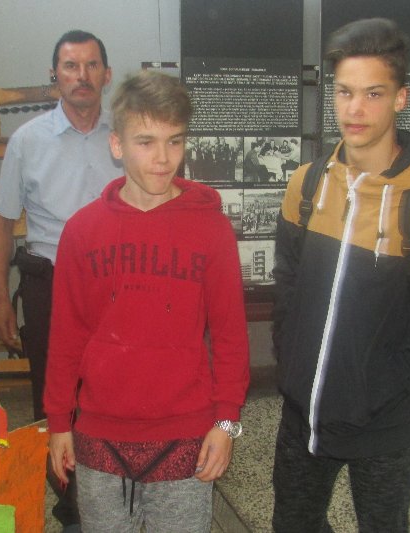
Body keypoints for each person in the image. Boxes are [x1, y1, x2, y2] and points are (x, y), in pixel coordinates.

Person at [271, 18, 410, 532]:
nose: (355, 109)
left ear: (400, 98)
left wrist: (391, 383)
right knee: (294, 524)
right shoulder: (306, 187)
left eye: (373, 93)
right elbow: (288, 282)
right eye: (345, 92)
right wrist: (293, 358)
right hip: (303, 413)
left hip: (385, 426)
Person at [44, 71, 250, 532]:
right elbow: (67, 336)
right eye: (146, 142)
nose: (163, 158)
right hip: (100, 432)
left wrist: (226, 422)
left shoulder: (211, 229)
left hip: (185, 432)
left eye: (175, 141)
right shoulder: (82, 231)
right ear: (116, 145)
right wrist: (59, 421)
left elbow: (231, 336)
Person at [0, 29, 121, 529]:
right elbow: (1, 222)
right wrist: (2, 300)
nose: (81, 76)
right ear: (54, 76)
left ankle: (121, 494)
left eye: (91, 65)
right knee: (57, 397)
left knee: (117, 392)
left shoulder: (126, 134)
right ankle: (72, 510)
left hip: (117, 287)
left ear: (107, 75)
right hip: (50, 283)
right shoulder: (28, 141)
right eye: (70, 66)